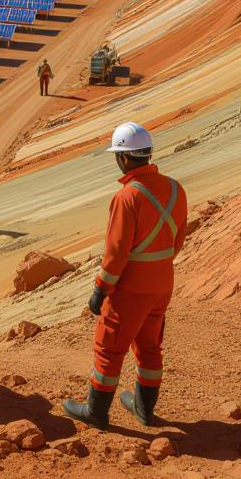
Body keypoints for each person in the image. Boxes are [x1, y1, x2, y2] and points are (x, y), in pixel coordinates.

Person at [62, 122, 187, 430]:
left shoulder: (127, 197)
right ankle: (144, 410)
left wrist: (101, 289)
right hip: (163, 284)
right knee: (149, 346)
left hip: (132, 288)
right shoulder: (175, 188)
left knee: (110, 347)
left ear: (124, 158)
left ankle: (96, 412)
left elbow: (116, 253)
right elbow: (177, 240)